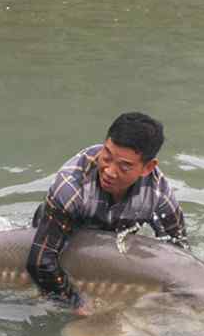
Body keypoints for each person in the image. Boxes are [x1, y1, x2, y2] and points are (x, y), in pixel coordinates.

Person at [26, 112, 188, 314]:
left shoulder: (159, 194)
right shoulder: (70, 186)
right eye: (107, 157)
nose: (110, 171)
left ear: (148, 167)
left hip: (108, 244)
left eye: (124, 166)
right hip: (57, 240)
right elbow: (40, 261)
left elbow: (179, 252)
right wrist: (75, 303)